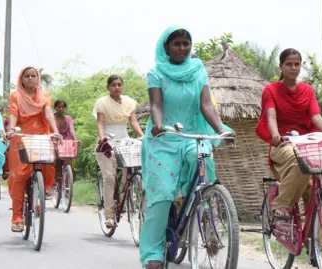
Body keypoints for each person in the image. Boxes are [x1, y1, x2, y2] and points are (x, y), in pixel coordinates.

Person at [139, 26, 231, 269]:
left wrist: (220, 129)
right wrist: (158, 124)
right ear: (166, 47)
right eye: (177, 44)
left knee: (204, 168)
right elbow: (156, 104)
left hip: (192, 135)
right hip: (164, 138)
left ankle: (210, 224)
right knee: (163, 195)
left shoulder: (198, 71)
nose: (182, 48)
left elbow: (206, 105)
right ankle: (152, 254)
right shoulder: (157, 73)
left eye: (186, 44)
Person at [255, 48, 322, 220]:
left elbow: (316, 116)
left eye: (297, 64)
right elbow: (270, 115)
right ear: (280, 66)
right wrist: (275, 135)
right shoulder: (270, 90)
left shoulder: (308, 90)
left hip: (306, 143)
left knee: (315, 188)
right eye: (289, 64)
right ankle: (282, 205)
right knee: (300, 158)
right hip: (282, 145)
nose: (293, 68)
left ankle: (315, 243)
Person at [5, 66, 61, 232]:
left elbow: (49, 114)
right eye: (27, 76)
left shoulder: (44, 96)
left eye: (33, 76)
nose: (30, 79)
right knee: (19, 176)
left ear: (38, 78)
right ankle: (16, 217)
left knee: (48, 164)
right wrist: (11, 130)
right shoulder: (15, 96)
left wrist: (55, 132)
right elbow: (13, 114)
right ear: (21, 79)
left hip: (41, 136)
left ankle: (45, 189)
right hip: (20, 137)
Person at [93, 75, 144, 228]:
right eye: (113, 85)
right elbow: (100, 123)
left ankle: (127, 193)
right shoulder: (102, 102)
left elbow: (133, 122)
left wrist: (143, 136)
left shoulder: (129, 102)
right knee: (109, 177)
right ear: (107, 87)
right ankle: (108, 215)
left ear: (123, 86)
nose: (117, 87)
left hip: (123, 138)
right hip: (107, 139)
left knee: (133, 167)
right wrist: (102, 139)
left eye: (119, 84)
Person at [54, 100, 79, 178]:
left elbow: (71, 129)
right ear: (55, 108)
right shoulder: (52, 118)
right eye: (59, 107)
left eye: (63, 107)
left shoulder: (68, 118)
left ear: (65, 108)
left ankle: (69, 181)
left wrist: (75, 140)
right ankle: (56, 181)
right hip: (57, 141)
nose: (61, 109)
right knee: (56, 164)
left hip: (68, 142)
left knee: (70, 165)